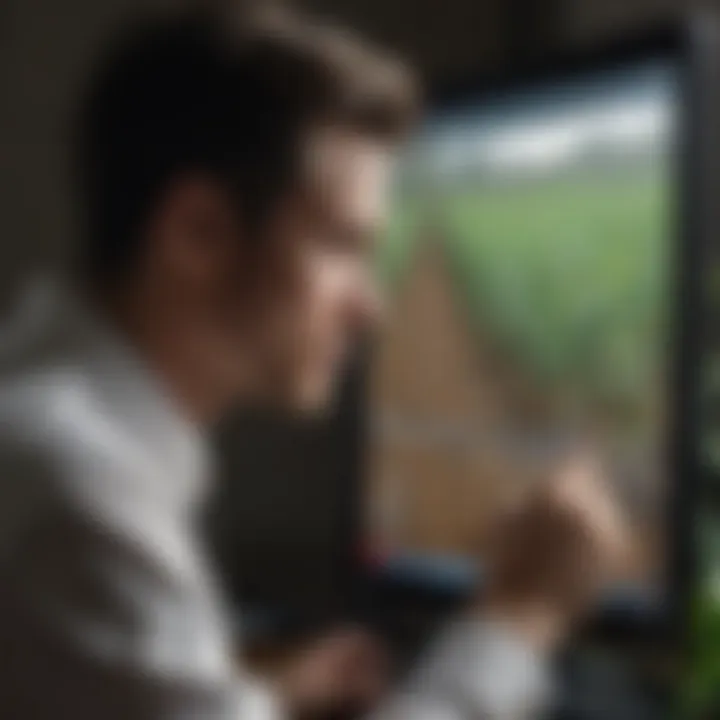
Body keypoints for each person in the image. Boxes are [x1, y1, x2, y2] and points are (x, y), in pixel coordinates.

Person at [0, 7, 626, 719]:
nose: (371, 308)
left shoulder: (44, 403)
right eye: (343, 246)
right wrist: (519, 618)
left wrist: (255, 702)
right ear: (197, 233)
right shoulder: (78, 495)